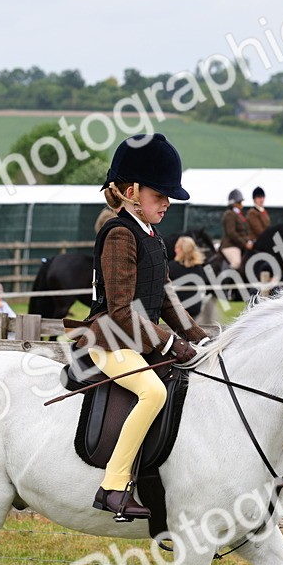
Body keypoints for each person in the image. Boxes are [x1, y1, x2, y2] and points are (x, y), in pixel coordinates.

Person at [70, 133, 209, 521]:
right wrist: (172, 345)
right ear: (132, 192)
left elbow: (165, 298)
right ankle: (113, 486)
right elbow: (121, 312)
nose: (166, 203)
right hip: (110, 341)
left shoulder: (152, 235)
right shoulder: (119, 234)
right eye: (160, 195)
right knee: (151, 392)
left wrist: (202, 339)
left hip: (136, 340)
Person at [167, 235, 210, 316]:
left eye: (176, 247)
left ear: (179, 250)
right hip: (196, 308)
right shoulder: (199, 268)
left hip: (177, 310)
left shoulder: (171, 267)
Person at [219, 189, 251, 270]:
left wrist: (249, 241)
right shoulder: (229, 214)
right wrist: (245, 243)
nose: (242, 205)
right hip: (230, 245)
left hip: (240, 245)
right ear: (234, 204)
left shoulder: (239, 215)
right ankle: (229, 281)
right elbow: (231, 233)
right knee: (237, 263)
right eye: (239, 203)